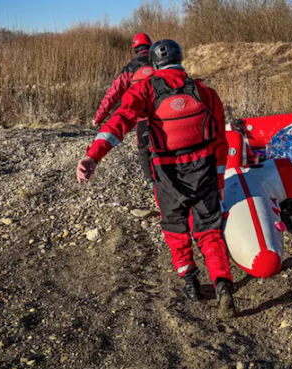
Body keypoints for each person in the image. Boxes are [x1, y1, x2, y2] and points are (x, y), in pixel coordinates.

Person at [77, 39, 236, 318]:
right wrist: (220, 181)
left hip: (167, 173)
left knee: (175, 227)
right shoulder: (205, 91)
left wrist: (93, 155)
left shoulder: (145, 88)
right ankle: (222, 283)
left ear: (154, 63)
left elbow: (120, 121)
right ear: (180, 58)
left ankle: (189, 281)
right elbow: (221, 141)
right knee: (209, 229)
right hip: (205, 169)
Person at [92, 33, 156, 190]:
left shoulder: (130, 68)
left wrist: (99, 116)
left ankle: (151, 181)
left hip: (142, 116)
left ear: (134, 48)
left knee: (143, 148)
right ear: (150, 45)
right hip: (165, 112)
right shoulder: (160, 61)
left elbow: (113, 94)